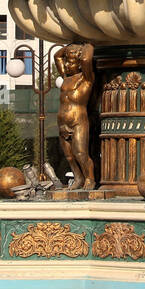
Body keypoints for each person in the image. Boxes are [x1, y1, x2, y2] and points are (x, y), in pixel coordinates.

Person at [56, 43, 96, 190]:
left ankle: (90, 179)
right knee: (69, 156)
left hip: (78, 120)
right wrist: (68, 49)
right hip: (62, 122)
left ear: (79, 64)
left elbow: (86, 59)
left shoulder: (86, 78)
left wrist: (87, 45)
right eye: (66, 61)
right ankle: (78, 178)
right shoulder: (66, 77)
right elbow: (57, 56)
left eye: (71, 61)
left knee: (80, 152)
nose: (67, 64)